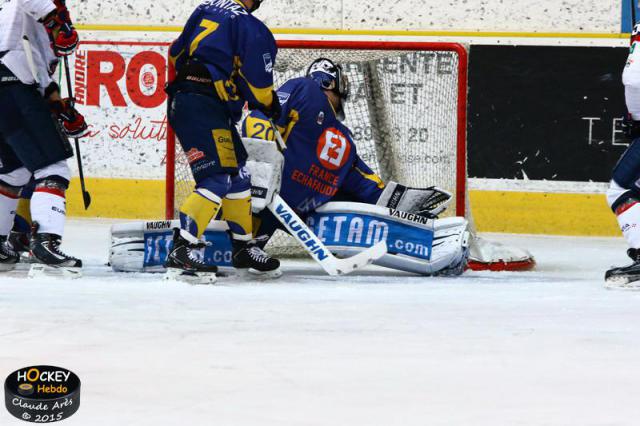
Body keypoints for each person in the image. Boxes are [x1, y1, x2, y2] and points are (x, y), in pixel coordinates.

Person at [242, 58, 464, 275]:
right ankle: (237, 243)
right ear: (328, 83)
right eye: (341, 88)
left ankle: (420, 236)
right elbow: (260, 117)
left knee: (240, 248)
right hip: (264, 198)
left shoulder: (345, 141)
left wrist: (406, 205)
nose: (343, 96)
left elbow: (367, 186)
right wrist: (260, 163)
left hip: (280, 209)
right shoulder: (305, 88)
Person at [165, 0, 281, 283]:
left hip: (196, 101)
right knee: (217, 179)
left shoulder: (206, 8)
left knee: (239, 176)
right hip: (202, 105)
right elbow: (258, 87)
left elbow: (175, 53)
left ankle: (242, 247)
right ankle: (182, 248)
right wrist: (270, 105)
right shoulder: (251, 27)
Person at [0, 0, 88, 276]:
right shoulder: (41, 7)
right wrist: (56, 21)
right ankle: (45, 242)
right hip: (13, 84)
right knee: (53, 168)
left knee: (15, 172)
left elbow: (41, 74)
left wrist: (59, 108)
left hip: (10, 86)